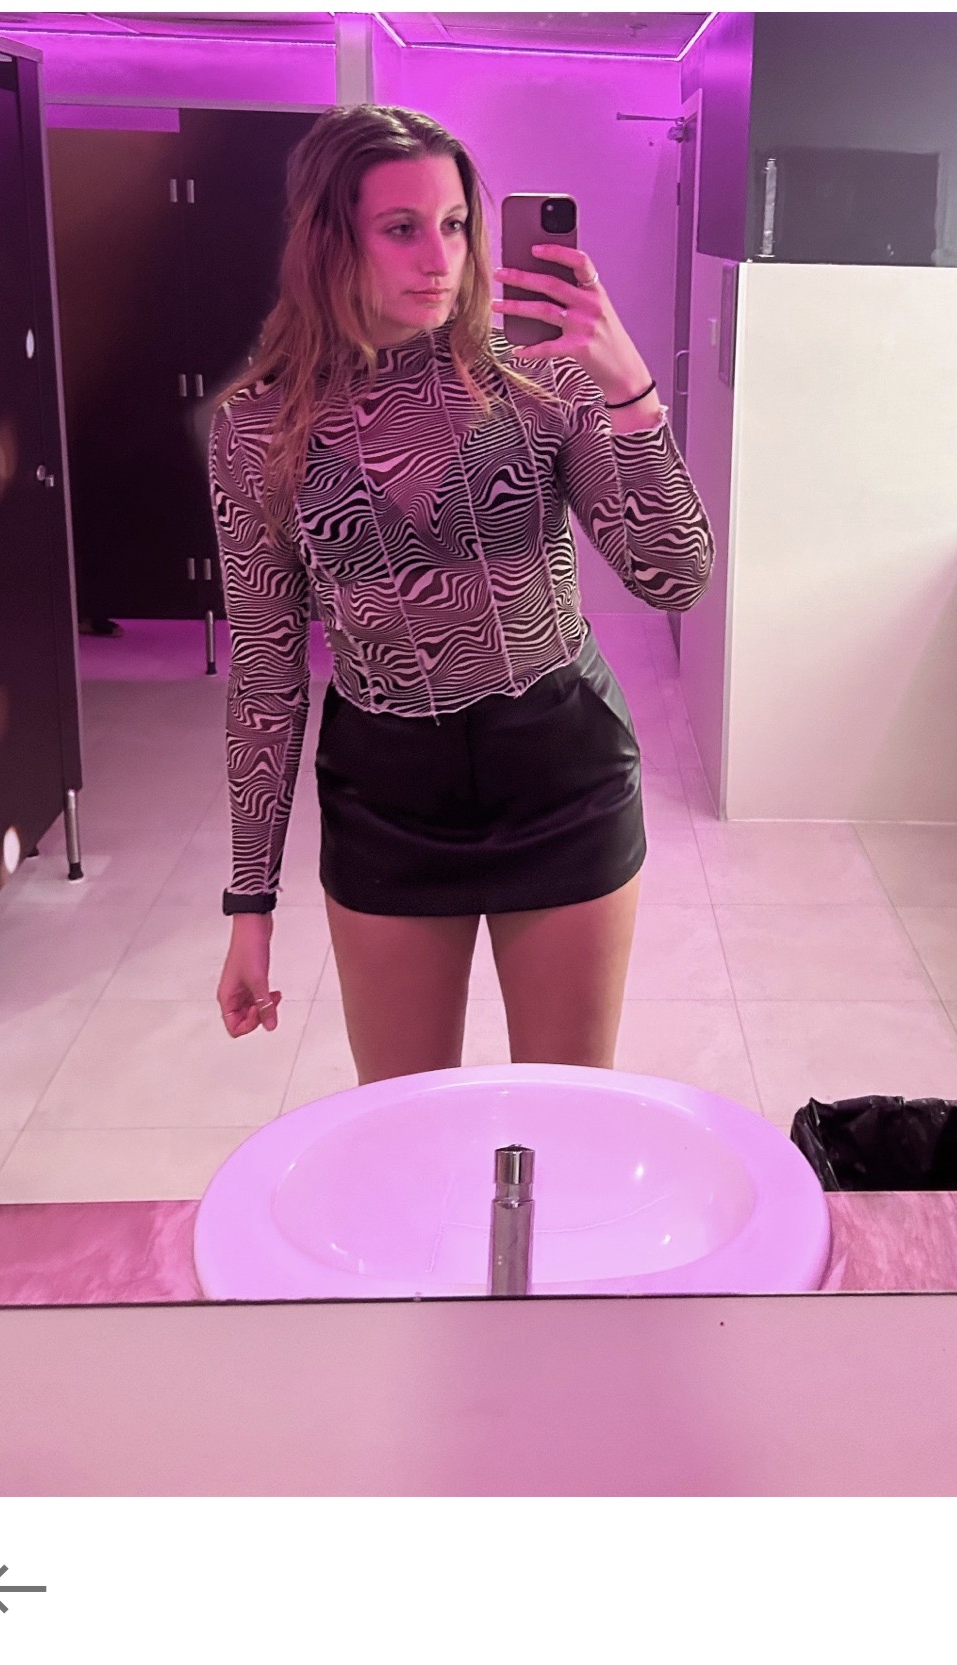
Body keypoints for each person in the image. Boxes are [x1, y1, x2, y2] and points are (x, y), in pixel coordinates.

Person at [209, 103, 713, 1083]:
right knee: (406, 1124)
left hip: (560, 771)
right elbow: (266, 676)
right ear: (329, 240)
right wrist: (249, 907)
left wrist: (627, 385)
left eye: (454, 224)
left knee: (565, 1111)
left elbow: (676, 576)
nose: (441, 257)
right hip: (388, 795)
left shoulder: (542, 382)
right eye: (402, 228)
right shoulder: (257, 428)